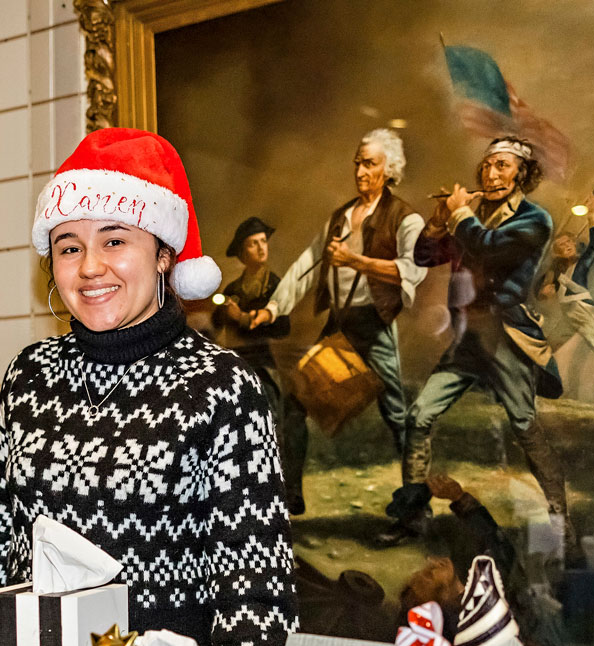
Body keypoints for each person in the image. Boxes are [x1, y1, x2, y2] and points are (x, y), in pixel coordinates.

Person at [0, 127, 298, 646]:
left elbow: (256, 596)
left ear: (164, 254)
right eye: (68, 247)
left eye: (115, 240)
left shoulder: (223, 387)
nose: (90, 268)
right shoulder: (30, 375)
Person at [382, 136, 569, 551]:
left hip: (507, 336)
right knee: (420, 416)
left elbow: (487, 247)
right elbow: (425, 256)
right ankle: (412, 515)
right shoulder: (474, 215)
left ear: (522, 174)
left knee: (525, 427)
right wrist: (436, 220)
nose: (491, 174)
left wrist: (460, 213)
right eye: (486, 166)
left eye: (503, 166)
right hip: (468, 338)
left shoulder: (535, 220)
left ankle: (559, 519)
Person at [249, 129, 428, 463]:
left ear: (389, 168)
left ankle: (415, 503)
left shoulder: (406, 219)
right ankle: (291, 498)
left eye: (369, 164)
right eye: (357, 164)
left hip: (375, 325)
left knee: (397, 415)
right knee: (296, 402)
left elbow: (412, 270)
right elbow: (308, 264)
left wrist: (355, 261)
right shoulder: (340, 218)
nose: (360, 172)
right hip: (340, 323)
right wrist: (273, 308)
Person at [212, 216, 305, 513]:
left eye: (263, 241)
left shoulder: (276, 287)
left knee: (274, 425)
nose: (261, 248)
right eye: (253, 244)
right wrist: (223, 312)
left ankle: (281, 493)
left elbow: (283, 328)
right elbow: (215, 324)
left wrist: (244, 319)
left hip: (268, 363)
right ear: (242, 253)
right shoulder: (232, 289)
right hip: (237, 365)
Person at [537, 196, 594, 406]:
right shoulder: (557, 271)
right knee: (545, 347)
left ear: (575, 246)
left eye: (569, 242)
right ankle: (538, 390)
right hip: (568, 317)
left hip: (583, 314)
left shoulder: (582, 264)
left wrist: (593, 215)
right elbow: (540, 290)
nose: (567, 246)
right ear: (557, 251)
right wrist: (545, 291)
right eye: (562, 245)